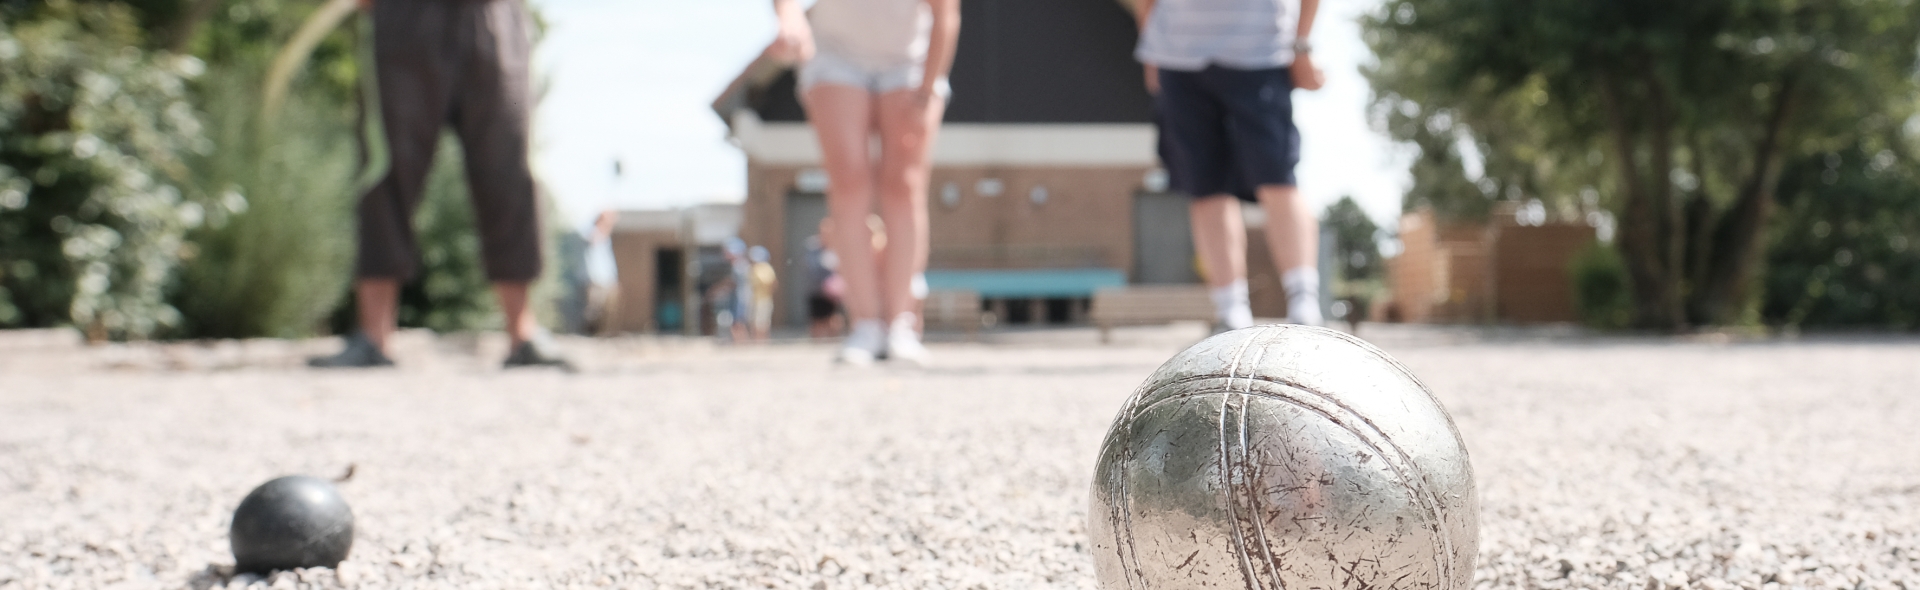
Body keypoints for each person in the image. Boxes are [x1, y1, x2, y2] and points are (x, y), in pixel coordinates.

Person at [310, 0, 571, 369]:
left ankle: (522, 333)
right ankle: (374, 337)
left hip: (495, 14)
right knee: (386, 168)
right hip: (406, 17)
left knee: (510, 169)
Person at [765, 0, 960, 365]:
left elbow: (946, 13)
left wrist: (925, 92)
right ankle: (866, 324)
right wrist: (788, 20)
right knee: (849, 182)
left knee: (903, 185)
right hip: (836, 57)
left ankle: (899, 324)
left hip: (911, 62)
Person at [1136, 0, 1326, 330]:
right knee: (1205, 186)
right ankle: (1230, 311)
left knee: (1278, 178)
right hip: (1178, 54)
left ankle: (1305, 306)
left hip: (1260, 52)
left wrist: (1302, 46)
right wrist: (1150, 44)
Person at [747, 245, 778, 341]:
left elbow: (772, 283)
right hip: (755, 299)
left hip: (763, 299)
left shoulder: (764, 268)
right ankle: (757, 341)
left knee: (761, 323)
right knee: (755, 322)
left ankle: (761, 342)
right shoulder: (753, 268)